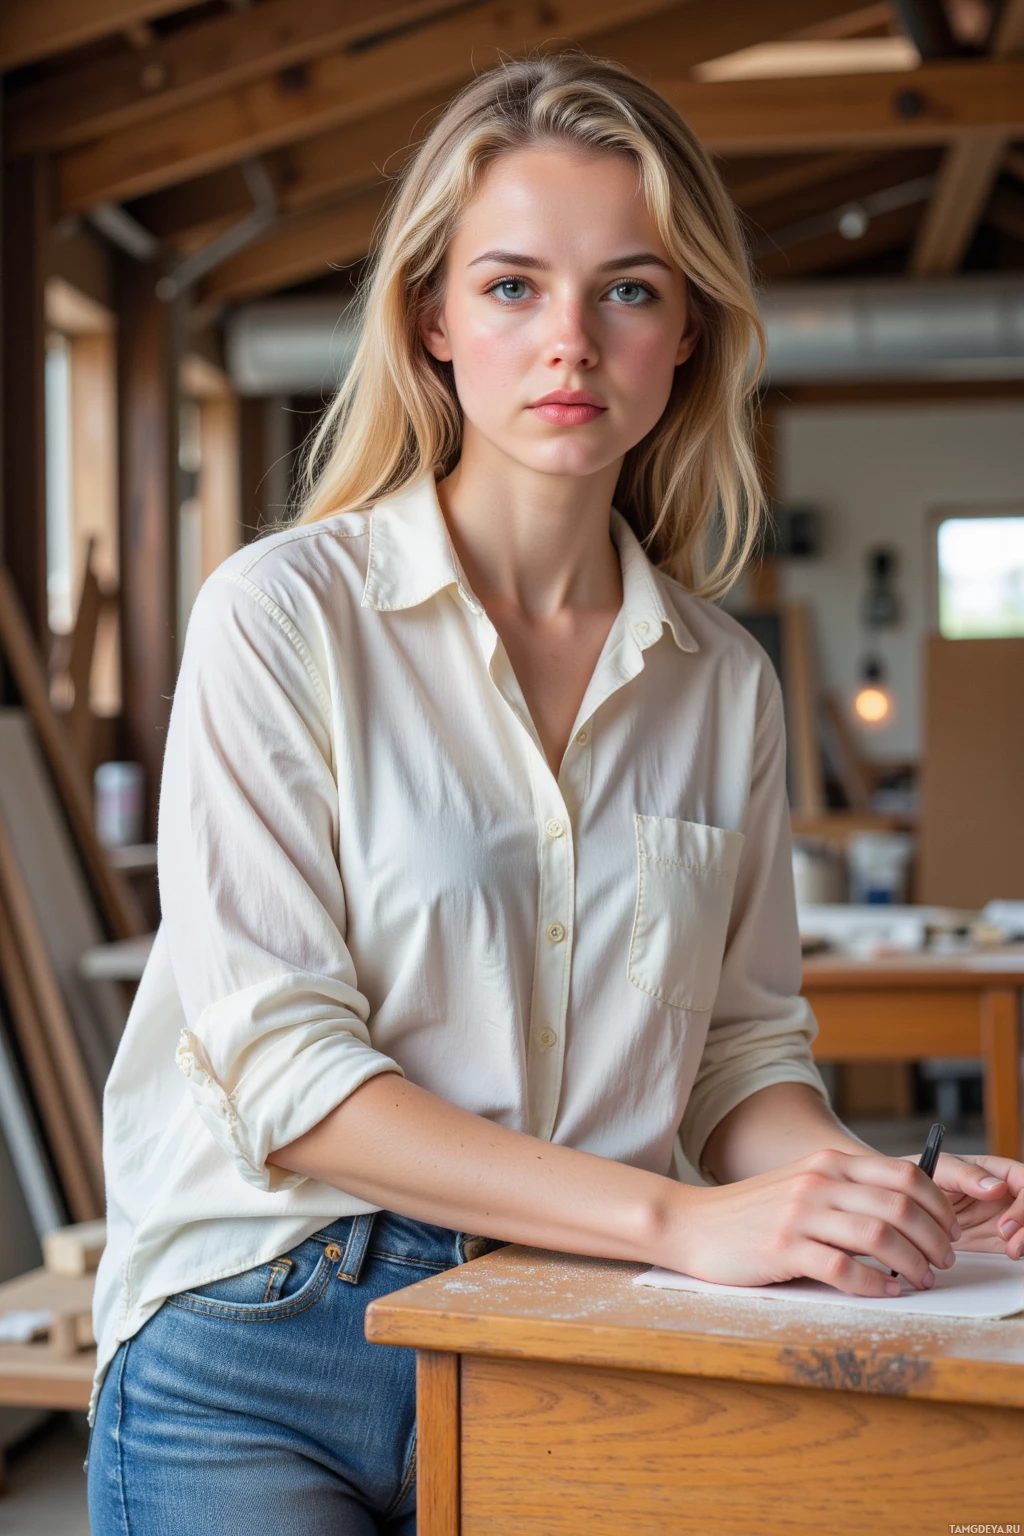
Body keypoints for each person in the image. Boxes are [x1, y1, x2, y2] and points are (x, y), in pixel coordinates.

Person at [87, 51, 1023, 1535]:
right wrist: (679, 1220)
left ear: (689, 335)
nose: (570, 341)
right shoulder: (281, 616)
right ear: (433, 321)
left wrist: (858, 1186)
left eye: (629, 290)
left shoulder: (726, 682)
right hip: (270, 1333)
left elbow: (737, 1055)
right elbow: (286, 1074)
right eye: (514, 286)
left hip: (573, 1322)